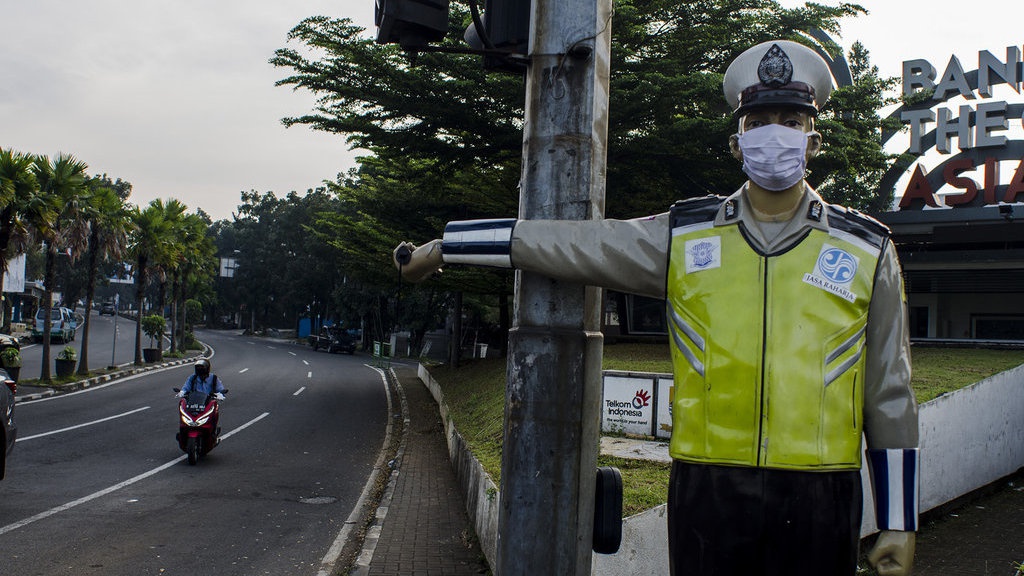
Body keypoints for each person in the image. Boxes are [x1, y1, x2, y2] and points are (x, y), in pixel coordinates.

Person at [393, 39, 918, 576]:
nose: (773, 134)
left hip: (821, 493)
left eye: (790, 119)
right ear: (737, 141)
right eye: (758, 120)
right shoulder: (685, 236)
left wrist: (899, 518)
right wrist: (451, 244)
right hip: (708, 490)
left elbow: (889, 393)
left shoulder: (866, 249)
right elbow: (575, 243)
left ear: (813, 139)